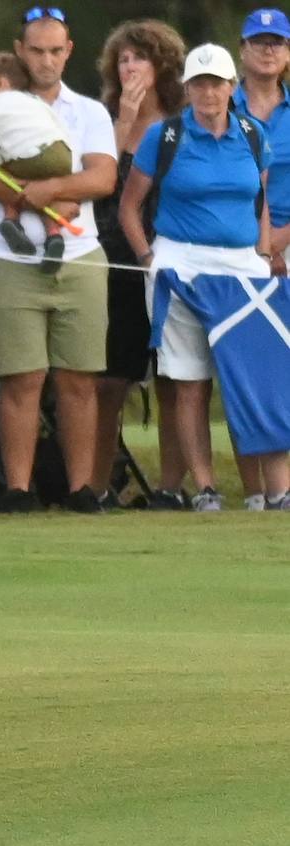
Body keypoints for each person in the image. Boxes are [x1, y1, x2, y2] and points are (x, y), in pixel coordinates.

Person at [0, 8, 117, 514]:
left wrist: (46, 188)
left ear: (69, 51)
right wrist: (29, 191)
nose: (46, 60)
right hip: (7, 258)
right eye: (36, 50)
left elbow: (101, 179)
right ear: (20, 50)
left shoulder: (89, 111)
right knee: (21, 377)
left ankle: (81, 489)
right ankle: (19, 489)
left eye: (56, 50)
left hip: (79, 257)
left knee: (78, 378)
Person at [120, 44, 283, 512]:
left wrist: (264, 249)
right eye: (200, 83)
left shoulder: (253, 134)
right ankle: (207, 487)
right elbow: (131, 205)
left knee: (251, 377)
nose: (208, 92)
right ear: (188, 88)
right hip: (181, 262)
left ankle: (264, 491)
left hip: (243, 264)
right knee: (190, 381)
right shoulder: (164, 135)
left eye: (217, 83)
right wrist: (148, 256)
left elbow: (261, 201)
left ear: (232, 88)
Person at [93, 19, 186, 508]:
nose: (129, 68)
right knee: (108, 380)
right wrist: (122, 125)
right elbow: (95, 186)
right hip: (112, 260)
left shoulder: (184, 119)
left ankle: (172, 487)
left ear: (162, 65)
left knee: (175, 376)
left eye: (139, 59)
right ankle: (98, 484)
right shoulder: (101, 117)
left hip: (173, 258)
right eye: (122, 60)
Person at [233, 9, 290, 509]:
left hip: (287, 239)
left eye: (277, 42)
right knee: (250, 366)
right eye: (259, 42)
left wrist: (280, 240)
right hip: (239, 245)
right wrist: (261, 244)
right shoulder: (216, 102)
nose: (268, 50)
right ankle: (256, 490)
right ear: (243, 50)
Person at [0, 51, 73, 271]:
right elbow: (57, 123)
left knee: (6, 174)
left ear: (2, 83)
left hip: (31, 157)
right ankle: (54, 235)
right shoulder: (34, 100)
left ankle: (11, 220)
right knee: (41, 186)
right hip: (60, 152)